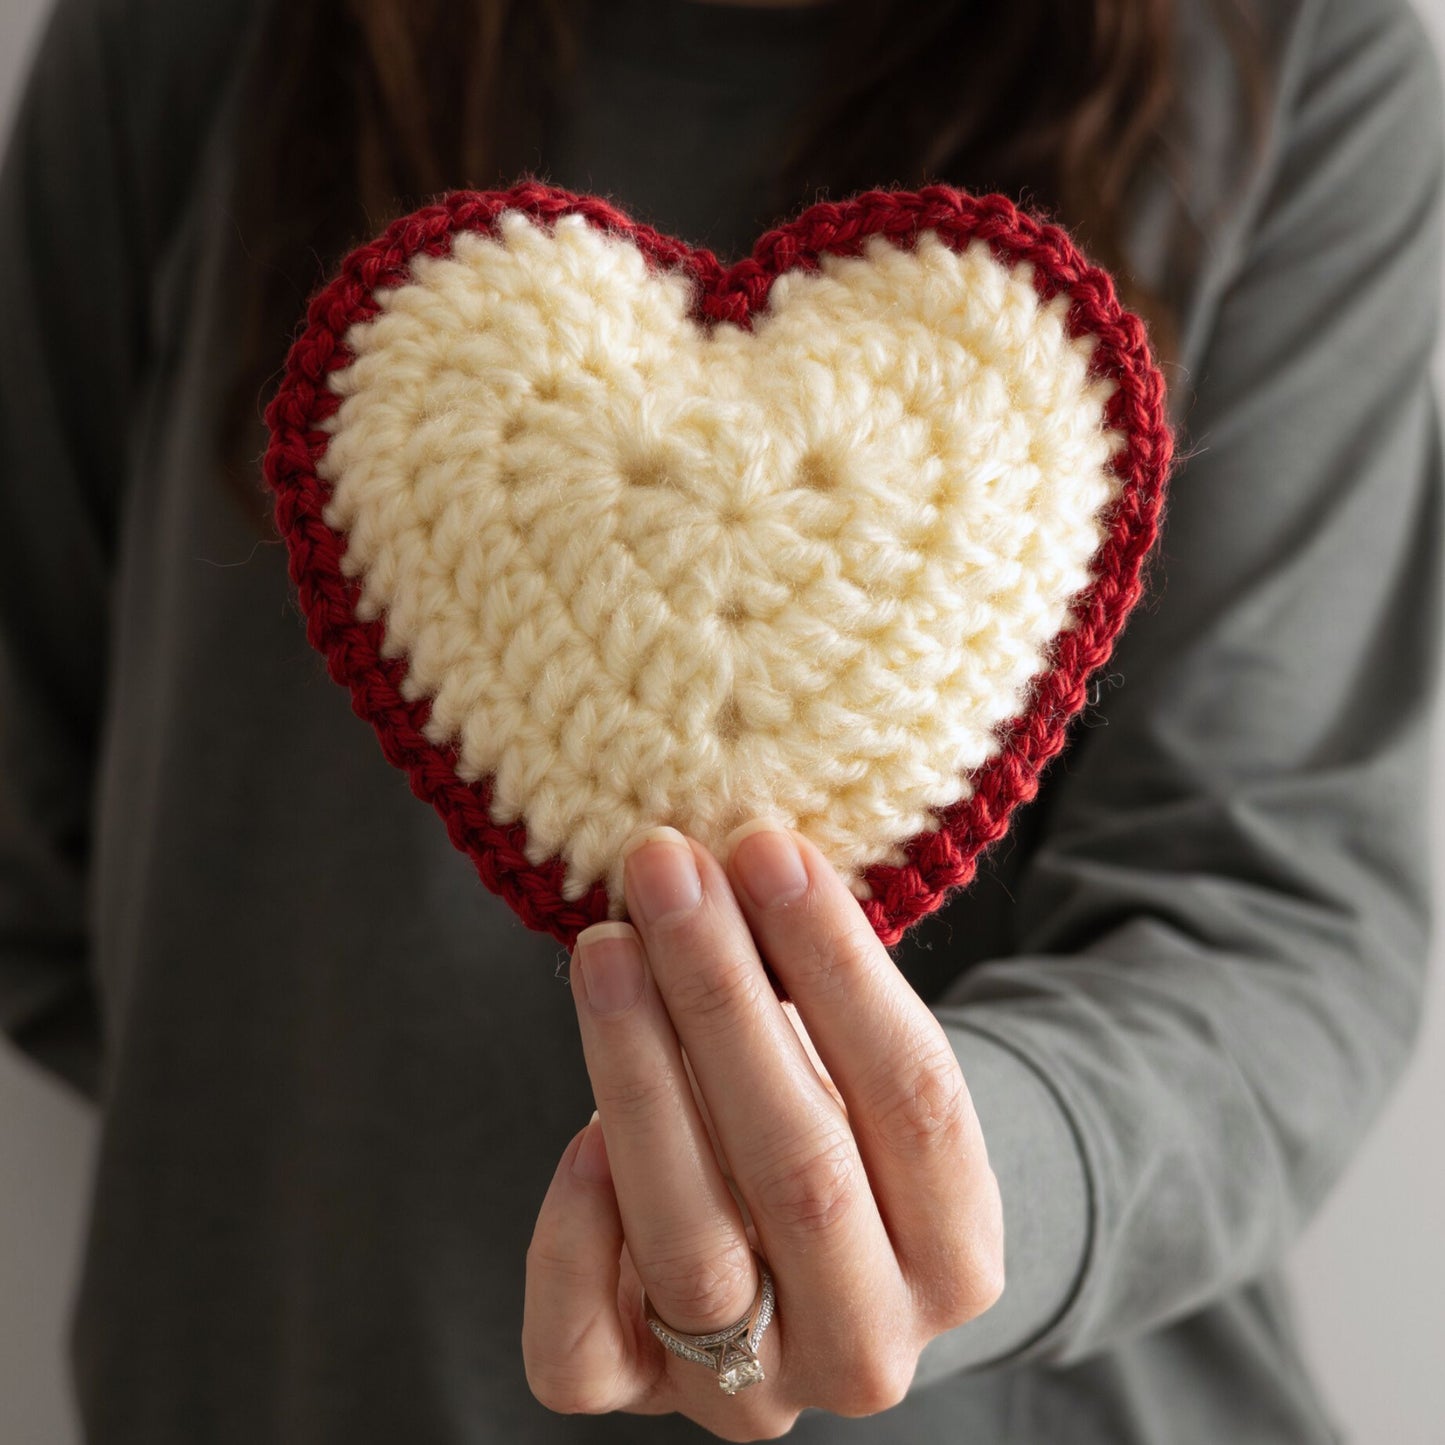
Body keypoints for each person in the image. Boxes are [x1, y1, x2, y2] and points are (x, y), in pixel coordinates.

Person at [1, 0, 1441, 1440]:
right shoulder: (194, 37)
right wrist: (284, 1154)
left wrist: (899, 1193)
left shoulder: (1288, 57)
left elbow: (1268, 908)